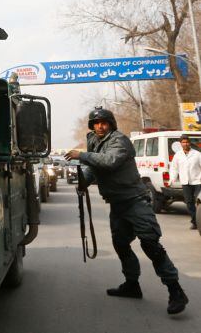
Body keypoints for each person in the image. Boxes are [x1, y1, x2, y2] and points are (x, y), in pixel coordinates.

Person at [66, 107, 188, 314]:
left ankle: (176, 291)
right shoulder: (95, 141)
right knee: (121, 244)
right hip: (117, 204)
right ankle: (132, 284)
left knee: (150, 244)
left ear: (111, 123)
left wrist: (82, 155)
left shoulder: (119, 140)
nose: (100, 126)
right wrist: (83, 181)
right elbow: (94, 169)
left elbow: (110, 162)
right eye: (96, 123)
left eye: (104, 122)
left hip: (135, 201)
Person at [169, 134, 201, 229]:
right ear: (180, 143)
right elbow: (174, 168)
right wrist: (172, 179)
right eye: (183, 142)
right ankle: (195, 222)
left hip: (197, 181)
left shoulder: (197, 154)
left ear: (189, 143)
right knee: (189, 202)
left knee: (198, 201)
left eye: (187, 142)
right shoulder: (178, 155)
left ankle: (199, 220)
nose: (185, 144)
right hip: (185, 182)